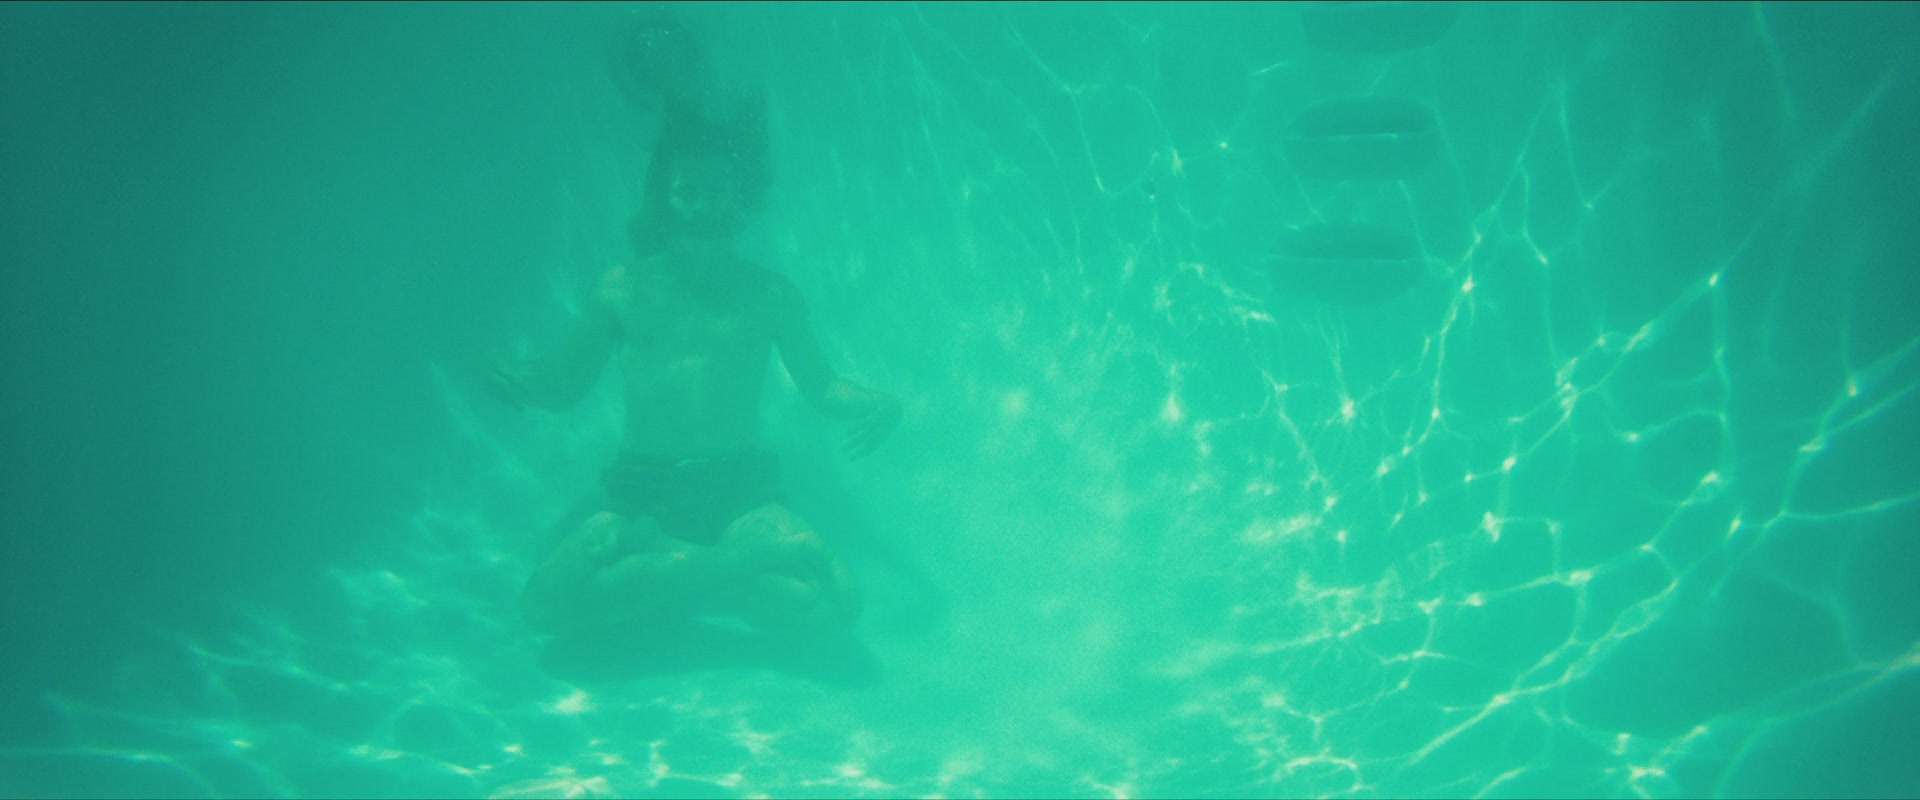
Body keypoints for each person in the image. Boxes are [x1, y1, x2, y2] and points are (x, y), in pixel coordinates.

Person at [490, 94, 903, 646]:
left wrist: (880, 404)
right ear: (663, 198)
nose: (702, 207)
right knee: (543, 606)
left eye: (716, 192)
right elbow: (565, 386)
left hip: (739, 491)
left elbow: (823, 386)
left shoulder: (772, 295)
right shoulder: (620, 288)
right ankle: (733, 566)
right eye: (687, 192)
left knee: (838, 604)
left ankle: (670, 568)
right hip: (642, 493)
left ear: (739, 197)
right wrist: (524, 382)